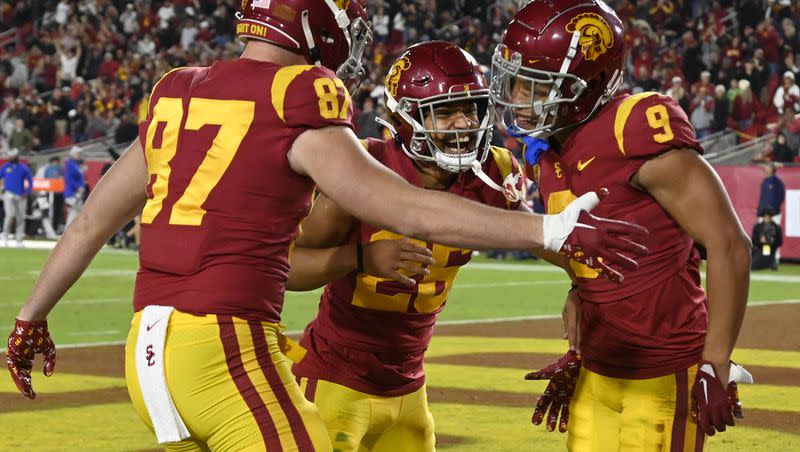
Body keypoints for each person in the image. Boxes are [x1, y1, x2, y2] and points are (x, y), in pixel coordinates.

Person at [5, 1, 647, 451]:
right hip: (222, 345)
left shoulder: (177, 88)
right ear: (317, 23)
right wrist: (548, 231)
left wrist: (30, 317)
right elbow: (402, 207)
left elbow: (91, 222)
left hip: (148, 350)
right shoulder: (299, 93)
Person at [285, 41, 588, 451]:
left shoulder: (494, 172)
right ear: (404, 117)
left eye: (471, 109)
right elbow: (284, 266)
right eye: (443, 112)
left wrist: (580, 286)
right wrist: (360, 257)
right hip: (335, 381)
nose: (463, 124)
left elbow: (542, 236)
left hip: (409, 389)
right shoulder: (364, 167)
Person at [490, 0, 752, 449]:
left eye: (538, 86)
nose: (520, 100)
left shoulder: (632, 126)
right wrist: (579, 307)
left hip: (663, 374)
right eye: (516, 83)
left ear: (589, 85)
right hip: (596, 372)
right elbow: (582, 249)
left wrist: (715, 361)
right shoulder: (549, 154)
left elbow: (729, 243)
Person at [0, 149, 33, 247]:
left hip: (20, 195)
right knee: (9, 215)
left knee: (20, 217)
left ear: (17, 157)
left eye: (12, 156)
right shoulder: (6, 167)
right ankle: (4, 237)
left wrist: (27, 192)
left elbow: (30, 181)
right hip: (8, 194)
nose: (10, 158)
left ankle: (19, 240)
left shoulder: (23, 168)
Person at [64, 146, 85, 228]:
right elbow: (69, 179)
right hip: (72, 193)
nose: (80, 155)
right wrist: (78, 188)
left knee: (75, 215)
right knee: (73, 214)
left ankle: (70, 233)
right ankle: (67, 233)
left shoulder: (76, 165)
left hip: (77, 193)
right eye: (78, 153)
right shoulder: (70, 164)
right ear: (73, 154)